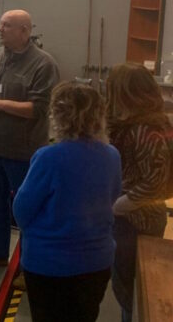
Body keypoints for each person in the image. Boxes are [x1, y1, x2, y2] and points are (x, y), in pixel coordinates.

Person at [13, 81, 121, 322]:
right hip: (96, 261)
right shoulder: (112, 155)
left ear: (57, 116)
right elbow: (113, 195)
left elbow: (21, 211)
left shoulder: (48, 157)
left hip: (49, 264)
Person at [0, 9, 60, 282]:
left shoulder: (43, 65)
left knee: (26, 210)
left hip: (23, 153)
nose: (0, 30)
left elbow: (38, 109)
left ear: (25, 31)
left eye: (7, 26)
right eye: (0, 25)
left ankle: (29, 267)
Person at [106, 63, 171, 322]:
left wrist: (115, 206)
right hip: (131, 216)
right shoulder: (136, 123)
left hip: (136, 221)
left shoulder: (145, 129)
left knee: (130, 293)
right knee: (127, 288)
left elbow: (154, 183)